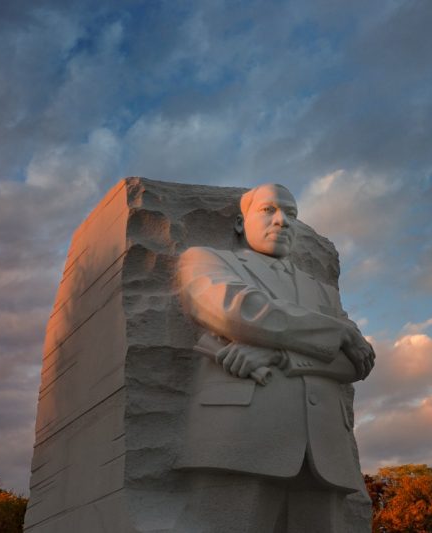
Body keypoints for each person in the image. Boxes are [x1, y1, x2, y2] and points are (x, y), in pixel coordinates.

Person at [174, 183, 375, 533]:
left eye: (292, 214)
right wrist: (337, 332)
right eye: (268, 210)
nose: (282, 221)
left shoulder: (321, 291)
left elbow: (357, 362)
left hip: (325, 452)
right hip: (241, 439)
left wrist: (279, 354)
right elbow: (236, 311)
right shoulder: (207, 260)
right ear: (240, 223)